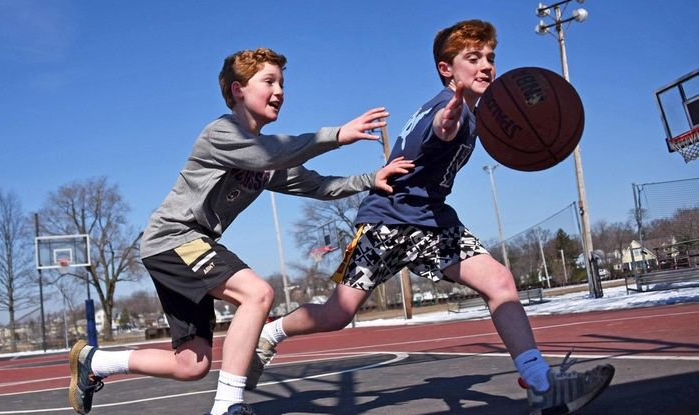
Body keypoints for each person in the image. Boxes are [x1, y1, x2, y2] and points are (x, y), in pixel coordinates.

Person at [249, 21, 615, 414]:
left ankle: (540, 384)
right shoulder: (448, 110)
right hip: (386, 221)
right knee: (338, 313)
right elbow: (442, 130)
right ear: (446, 69)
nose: (486, 66)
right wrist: (450, 120)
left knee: (500, 281)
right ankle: (273, 331)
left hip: (431, 221)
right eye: (472, 58)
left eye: (490, 57)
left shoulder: (462, 109)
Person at [67, 47, 414, 415]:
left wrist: (368, 179)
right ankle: (228, 406)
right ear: (237, 90)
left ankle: (96, 362)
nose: (279, 91)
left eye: (282, 83)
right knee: (258, 293)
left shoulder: (266, 160)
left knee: (192, 364)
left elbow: (314, 184)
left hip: (187, 246)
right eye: (269, 81)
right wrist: (337, 135)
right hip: (175, 238)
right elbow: (269, 154)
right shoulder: (221, 132)